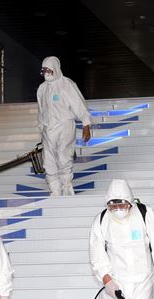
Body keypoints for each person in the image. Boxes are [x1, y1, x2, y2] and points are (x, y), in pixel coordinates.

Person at [37, 56, 92, 196]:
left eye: (48, 69)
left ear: (55, 69)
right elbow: (41, 111)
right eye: (44, 70)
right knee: (48, 161)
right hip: (48, 129)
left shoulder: (66, 84)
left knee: (64, 157)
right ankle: (55, 190)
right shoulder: (42, 89)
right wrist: (41, 127)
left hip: (65, 126)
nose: (46, 73)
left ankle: (67, 187)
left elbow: (79, 105)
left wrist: (86, 124)